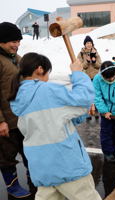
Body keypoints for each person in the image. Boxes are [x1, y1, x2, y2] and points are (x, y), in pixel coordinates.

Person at [9, 53, 102, 200]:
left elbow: (56, 119)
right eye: (48, 73)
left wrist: (82, 112)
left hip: (42, 168)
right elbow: (84, 98)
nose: (48, 78)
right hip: (67, 165)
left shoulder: (19, 97)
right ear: (40, 69)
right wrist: (78, 73)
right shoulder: (47, 90)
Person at [0, 22, 32, 198]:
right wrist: (0, 121)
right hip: (7, 120)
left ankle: (32, 177)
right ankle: (12, 186)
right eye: (12, 41)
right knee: (7, 155)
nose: (16, 44)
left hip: (22, 117)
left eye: (18, 40)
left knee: (29, 151)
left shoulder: (16, 58)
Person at [78, 35, 102, 120]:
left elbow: (99, 65)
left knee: (96, 94)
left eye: (90, 43)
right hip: (86, 78)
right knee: (87, 95)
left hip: (95, 77)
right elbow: (80, 67)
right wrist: (87, 62)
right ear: (84, 44)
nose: (89, 44)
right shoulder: (81, 54)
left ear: (92, 44)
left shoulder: (96, 53)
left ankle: (95, 111)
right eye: (87, 43)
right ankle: (88, 112)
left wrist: (94, 61)